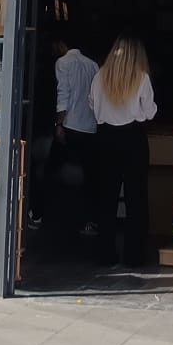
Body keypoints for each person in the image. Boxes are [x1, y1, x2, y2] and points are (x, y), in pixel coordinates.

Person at [91, 35, 156, 268]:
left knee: (106, 197)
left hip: (106, 138)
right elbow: (149, 112)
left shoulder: (100, 76)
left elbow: (93, 106)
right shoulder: (141, 78)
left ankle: (105, 254)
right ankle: (134, 256)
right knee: (136, 198)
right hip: (133, 138)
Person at [47, 35, 99, 234]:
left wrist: (59, 123)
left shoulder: (63, 63)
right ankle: (87, 220)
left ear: (62, 44)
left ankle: (51, 215)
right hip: (90, 126)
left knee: (57, 170)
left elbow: (63, 94)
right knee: (88, 176)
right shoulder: (93, 65)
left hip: (70, 124)